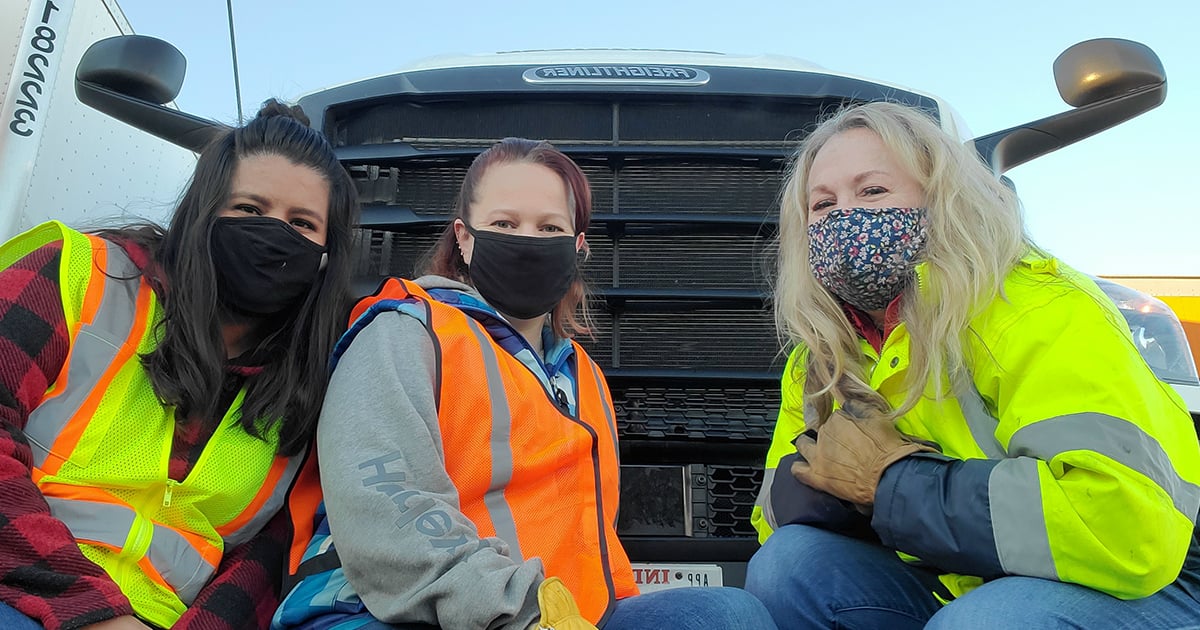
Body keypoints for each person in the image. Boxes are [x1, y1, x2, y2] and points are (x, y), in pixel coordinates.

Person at [274, 137, 777, 630]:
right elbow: (388, 509)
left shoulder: (585, 376)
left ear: (578, 247)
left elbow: (588, 534)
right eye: (504, 223)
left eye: (549, 227)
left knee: (733, 615)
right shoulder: (404, 331)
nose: (526, 241)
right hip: (391, 611)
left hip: (562, 614)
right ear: (464, 239)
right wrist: (525, 613)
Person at [743, 100, 1200, 629]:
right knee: (788, 564)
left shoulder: (1036, 308)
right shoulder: (818, 356)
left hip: (1147, 581)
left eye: (873, 191)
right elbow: (771, 518)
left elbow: (1124, 531)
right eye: (822, 205)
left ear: (942, 201)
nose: (845, 217)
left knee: (983, 623)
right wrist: (845, 490)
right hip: (965, 572)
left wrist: (893, 483)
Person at [0, 100, 358, 630]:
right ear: (201, 212)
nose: (272, 234)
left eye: (301, 223)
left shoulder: (308, 387)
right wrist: (95, 614)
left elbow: (262, 556)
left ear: (326, 256)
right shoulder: (78, 274)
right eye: (249, 210)